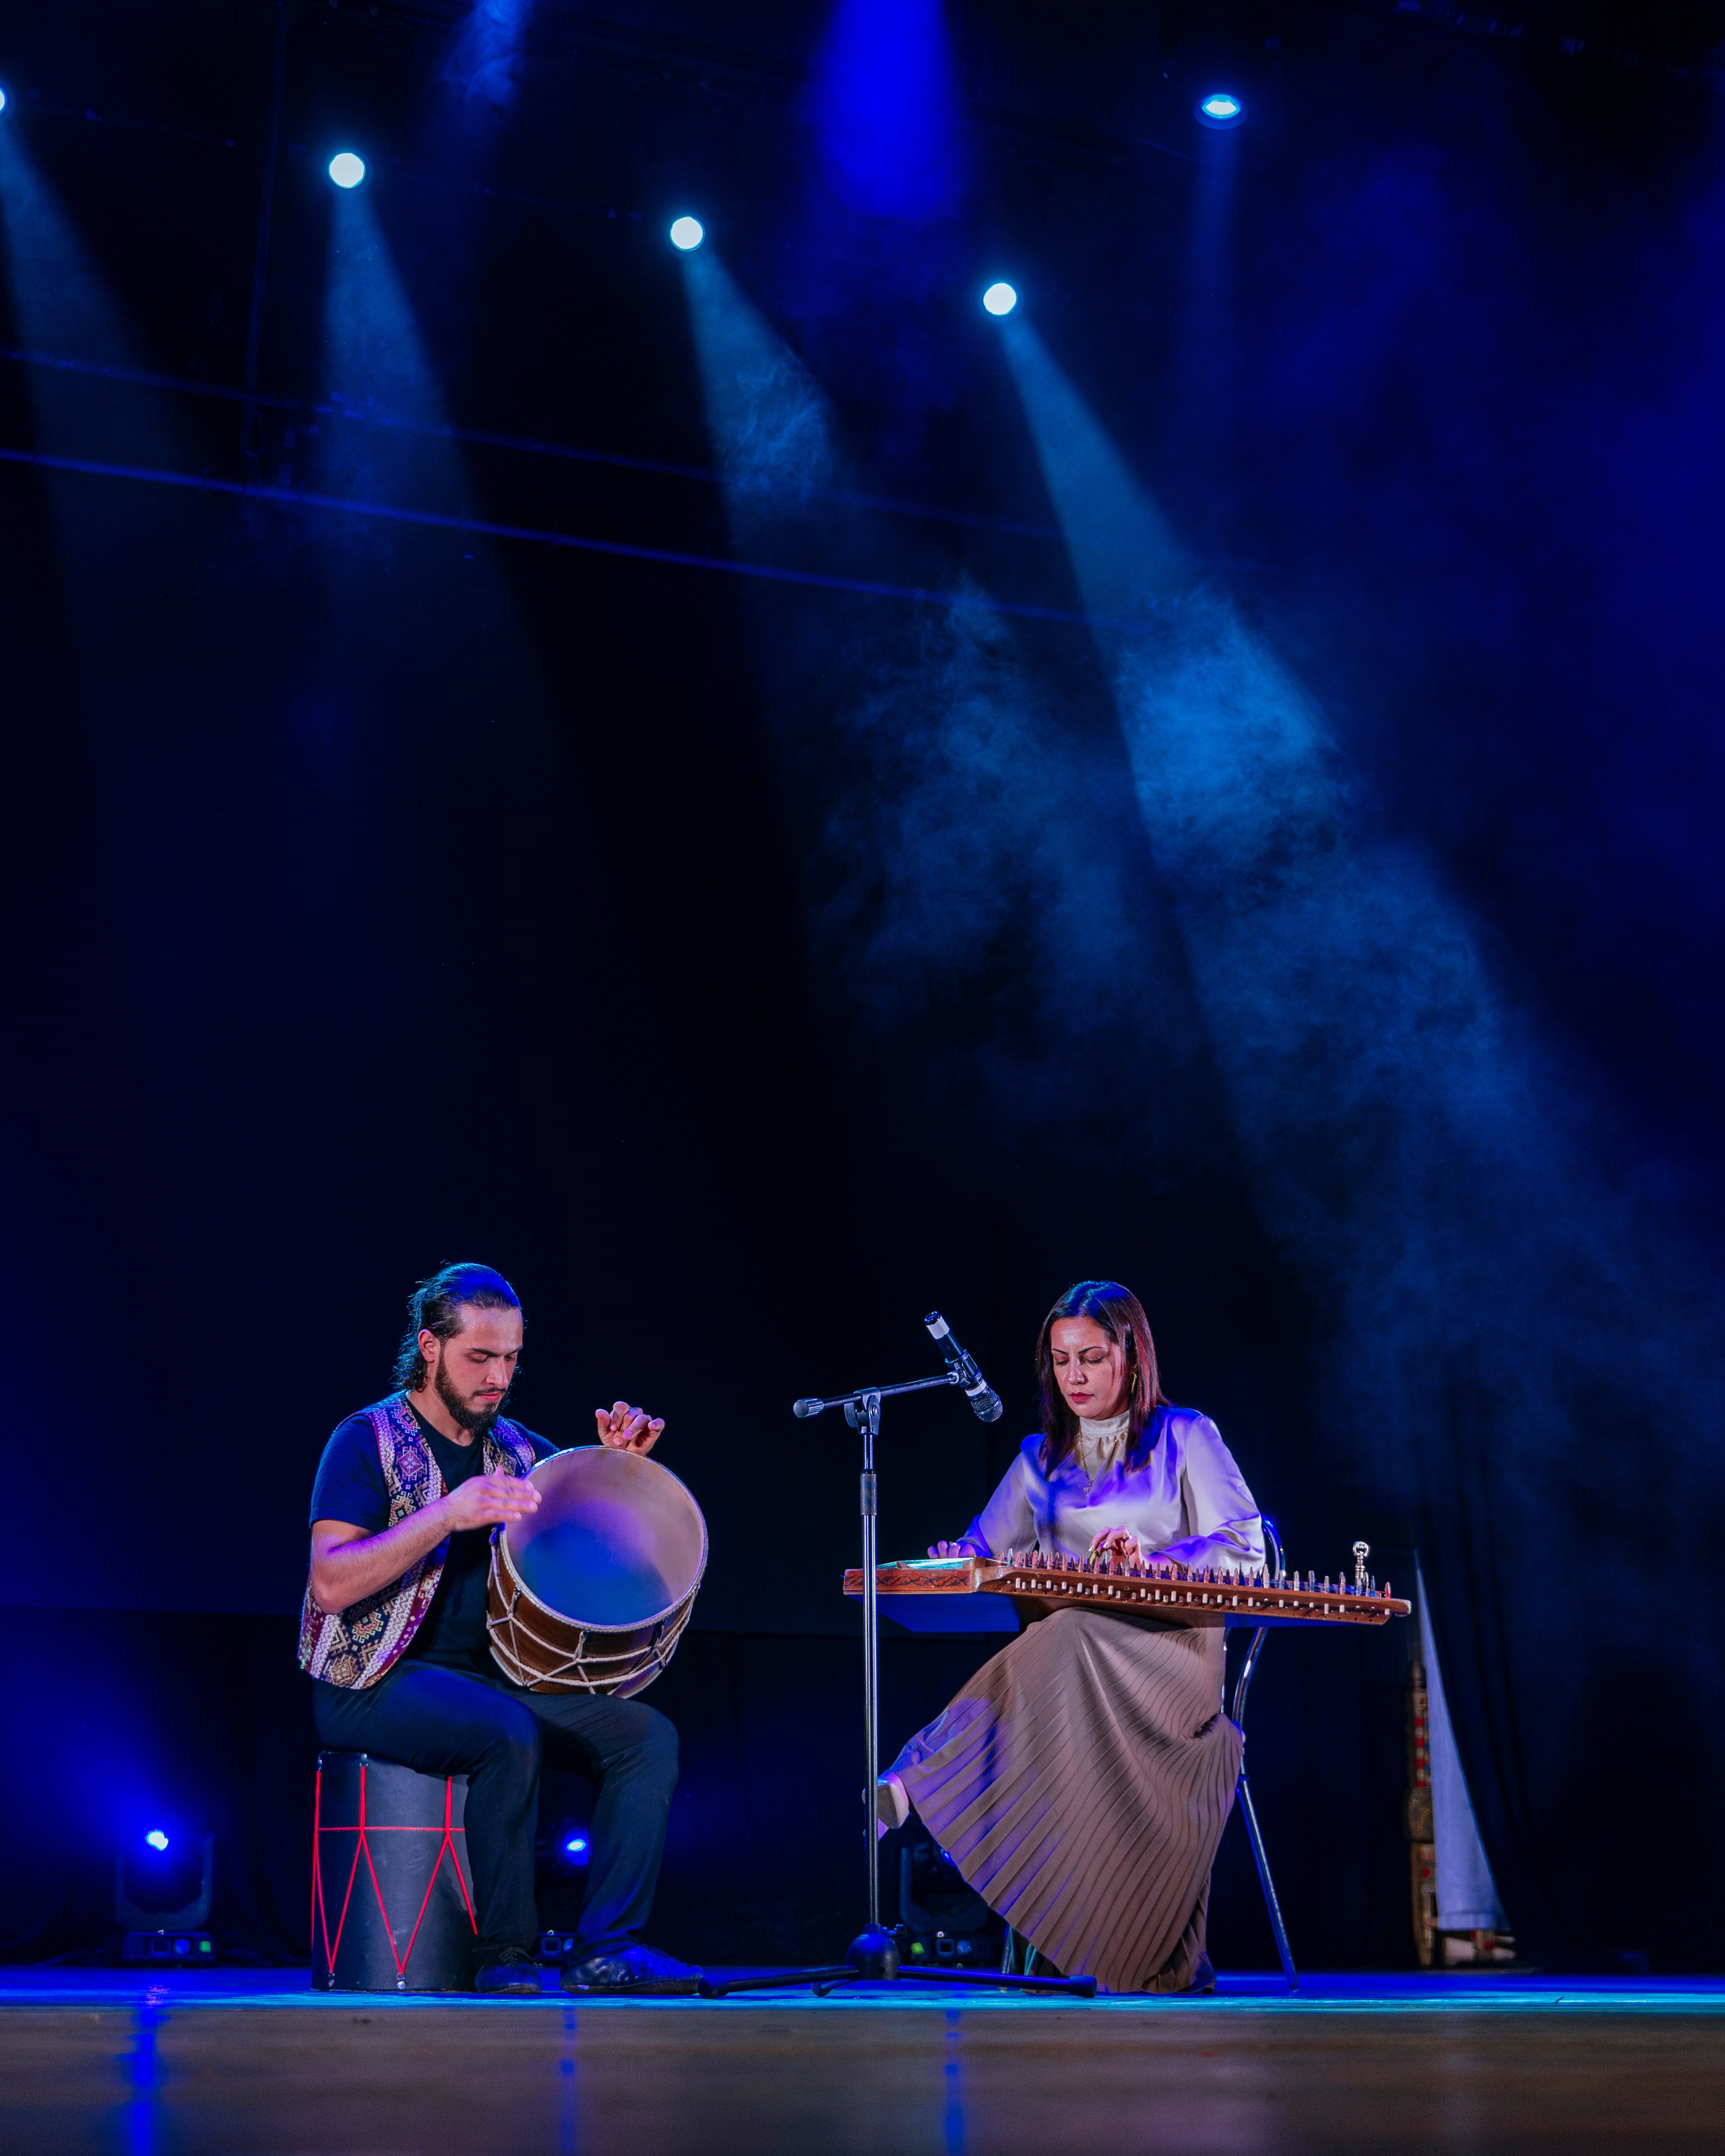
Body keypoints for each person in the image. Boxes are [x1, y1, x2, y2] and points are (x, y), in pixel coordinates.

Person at [301, 1262, 701, 1996]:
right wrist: (445, 1515)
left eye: (511, 1358)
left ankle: (607, 1949)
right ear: (430, 1347)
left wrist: (615, 1470)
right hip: (370, 1681)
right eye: (479, 1357)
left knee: (645, 1737)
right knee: (505, 1731)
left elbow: (587, 1540)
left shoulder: (519, 1452)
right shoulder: (366, 1439)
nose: (497, 1377)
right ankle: (505, 1955)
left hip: (490, 1683)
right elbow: (330, 1582)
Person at [876, 1279, 1263, 1995]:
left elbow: (1246, 1550)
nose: (1074, 1376)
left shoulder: (1187, 1436)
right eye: (1060, 1361)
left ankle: (916, 1776)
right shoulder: (1038, 1459)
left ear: (1132, 1358)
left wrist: (1152, 1561)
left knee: (1074, 1627)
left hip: (1172, 1658)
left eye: (1091, 1357)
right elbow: (981, 1549)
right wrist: (957, 1558)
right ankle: (925, 1787)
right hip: (1072, 1674)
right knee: (1070, 1629)